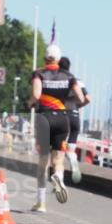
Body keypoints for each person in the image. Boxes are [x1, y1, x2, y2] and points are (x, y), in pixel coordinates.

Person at [28, 44, 84, 212]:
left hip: (45, 119)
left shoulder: (39, 74)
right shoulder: (69, 76)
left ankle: (41, 203)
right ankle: (59, 177)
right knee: (58, 160)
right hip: (62, 119)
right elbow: (80, 97)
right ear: (59, 59)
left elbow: (36, 95)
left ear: (45, 58)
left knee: (43, 162)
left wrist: (30, 103)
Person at [59, 56, 91, 184]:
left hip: (62, 116)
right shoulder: (78, 81)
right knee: (71, 148)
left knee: (59, 149)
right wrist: (78, 106)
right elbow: (88, 98)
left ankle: (59, 178)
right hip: (75, 116)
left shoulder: (59, 82)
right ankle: (73, 161)